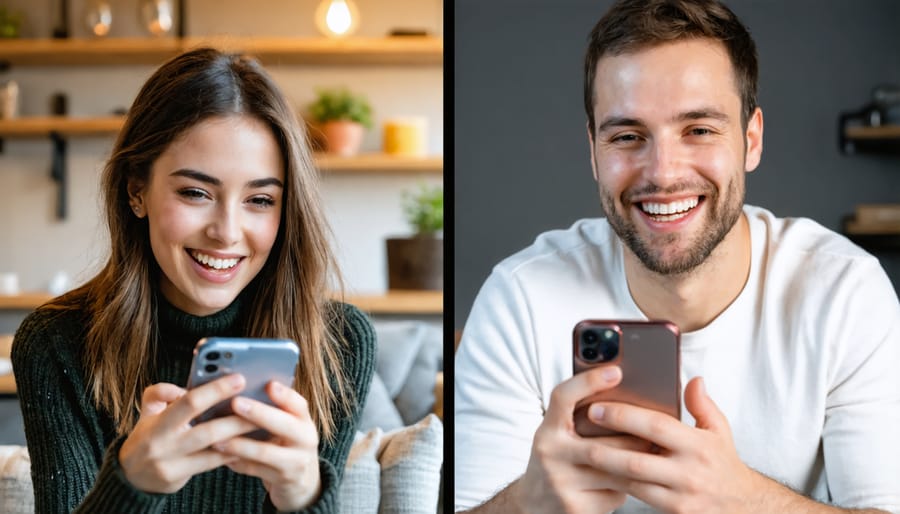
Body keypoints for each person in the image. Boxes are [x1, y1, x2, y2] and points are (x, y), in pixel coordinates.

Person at [454, 1, 900, 513]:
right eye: (627, 136)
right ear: (593, 151)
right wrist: (525, 504)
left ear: (750, 140)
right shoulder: (519, 299)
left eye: (699, 130)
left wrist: (744, 500)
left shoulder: (845, 292)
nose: (663, 173)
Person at [11, 47, 375, 513]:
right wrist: (131, 484)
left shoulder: (338, 343)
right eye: (195, 192)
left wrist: (303, 495)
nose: (226, 231)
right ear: (136, 191)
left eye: (260, 199)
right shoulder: (56, 342)